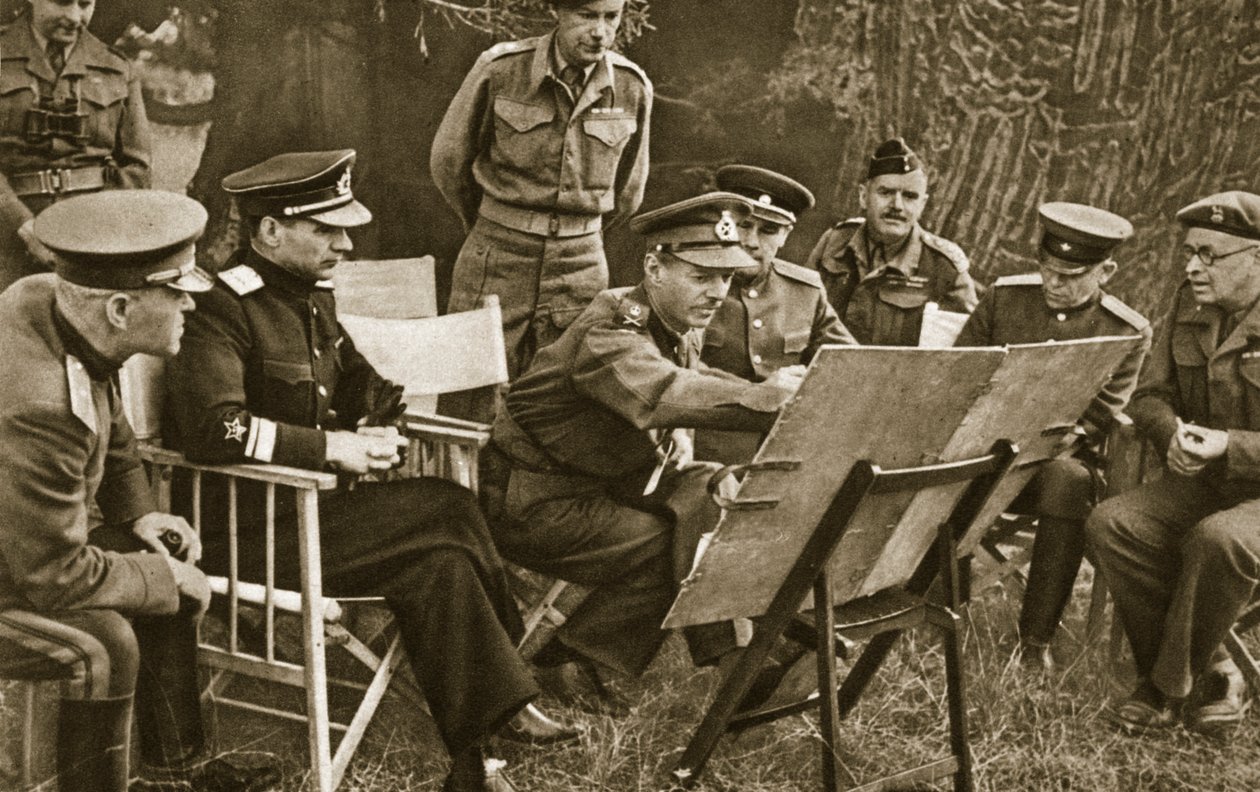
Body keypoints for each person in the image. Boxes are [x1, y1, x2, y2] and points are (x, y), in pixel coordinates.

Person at [163, 150, 572, 792]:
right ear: (270, 231)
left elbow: (363, 382)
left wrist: (380, 426)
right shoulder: (220, 308)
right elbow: (215, 429)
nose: (346, 244)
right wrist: (331, 450)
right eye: (326, 230)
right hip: (246, 537)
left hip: (313, 522)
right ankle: (513, 694)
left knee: (440, 567)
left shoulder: (312, 299)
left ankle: (474, 765)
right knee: (447, 505)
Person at [0, 191, 279, 792]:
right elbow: (51, 574)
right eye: (176, 291)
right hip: (24, 563)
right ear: (122, 309)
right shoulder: (38, 405)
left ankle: (176, 775)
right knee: (103, 646)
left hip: (20, 541)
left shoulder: (51, 300)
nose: (190, 304)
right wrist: (161, 580)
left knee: (160, 561)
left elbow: (112, 420)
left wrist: (141, 514)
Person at [484, 192, 805, 704]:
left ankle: (738, 653)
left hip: (606, 483)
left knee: (716, 488)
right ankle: (578, 658)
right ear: (654, 267)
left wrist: (784, 394)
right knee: (673, 544)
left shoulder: (676, 322)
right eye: (702, 277)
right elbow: (662, 391)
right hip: (534, 501)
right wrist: (765, 397)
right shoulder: (612, 330)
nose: (718, 293)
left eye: (725, 277)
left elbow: (692, 376)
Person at [1087, 191, 1260, 735]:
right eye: (1190, 252)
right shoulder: (1190, 304)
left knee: (1219, 539)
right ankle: (1216, 669)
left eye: (1210, 255)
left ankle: (1162, 689)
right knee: (1112, 523)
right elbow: (1149, 396)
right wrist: (1172, 436)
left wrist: (1229, 445)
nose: (1192, 266)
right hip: (1208, 482)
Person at [954, 202, 1151, 672]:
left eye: (1071, 275)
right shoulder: (1005, 298)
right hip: (980, 450)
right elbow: (962, 370)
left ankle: (1035, 639)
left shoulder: (1125, 330)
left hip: (1048, 464)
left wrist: (1065, 438)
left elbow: (1106, 410)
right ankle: (944, 600)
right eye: (1047, 269)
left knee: (1071, 482)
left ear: (1107, 270)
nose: (1053, 284)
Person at [430, 0, 651, 380]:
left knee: (560, 392)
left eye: (610, 17)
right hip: (498, 255)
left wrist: (577, 234)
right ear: (558, 13)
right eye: (586, 15)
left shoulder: (631, 87)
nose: (600, 31)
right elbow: (449, 162)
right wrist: (492, 225)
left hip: (580, 267)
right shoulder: (501, 69)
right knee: (470, 387)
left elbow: (629, 191)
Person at [696, 164, 856, 464]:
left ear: (785, 235)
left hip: (781, 450)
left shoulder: (805, 291)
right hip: (704, 445)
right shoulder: (693, 281)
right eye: (744, 225)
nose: (752, 242)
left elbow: (850, 367)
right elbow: (671, 367)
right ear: (724, 223)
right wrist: (759, 394)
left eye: (768, 230)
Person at [0, 0, 152, 291]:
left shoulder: (117, 67)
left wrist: (96, 232)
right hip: (7, 237)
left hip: (95, 242)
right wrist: (24, 226)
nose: (74, 16)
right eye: (62, 2)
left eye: (85, 4)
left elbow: (136, 167)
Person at [805, 137, 977, 345]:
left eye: (910, 196)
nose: (897, 205)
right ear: (863, 196)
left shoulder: (943, 267)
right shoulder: (834, 243)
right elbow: (798, 315)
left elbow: (966, 351)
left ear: (922, 205)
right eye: (885, 192)